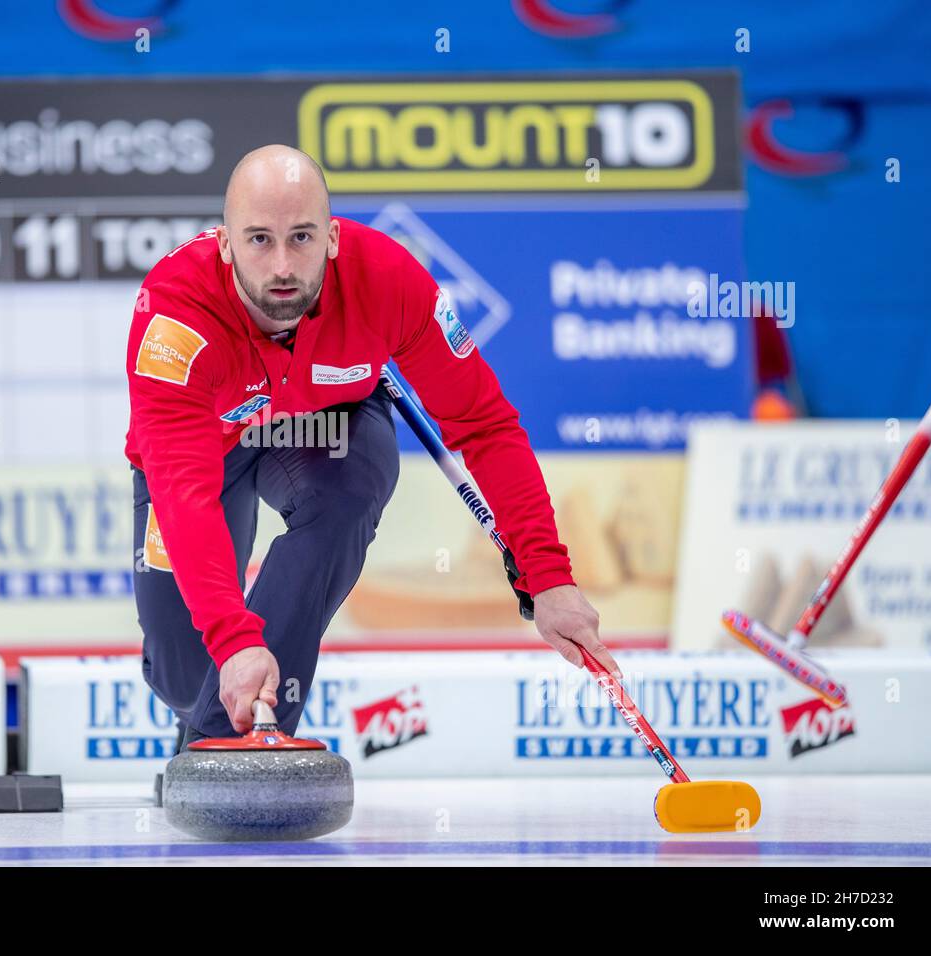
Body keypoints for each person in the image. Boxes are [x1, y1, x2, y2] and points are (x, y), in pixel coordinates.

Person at [124, 144, 619, 749]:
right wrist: (233, 639)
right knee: (186, 668)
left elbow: (484, 425)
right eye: (259, 239)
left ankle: (231, 750)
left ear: (332, 238)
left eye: (302, 237)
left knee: (346, 498)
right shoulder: (173, 319)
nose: (283, 265)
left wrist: (547, 578)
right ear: (225, 245)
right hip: (207, 453)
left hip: (325, 428)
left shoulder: (389, 280)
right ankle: (206, 712)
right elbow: (183, 490)